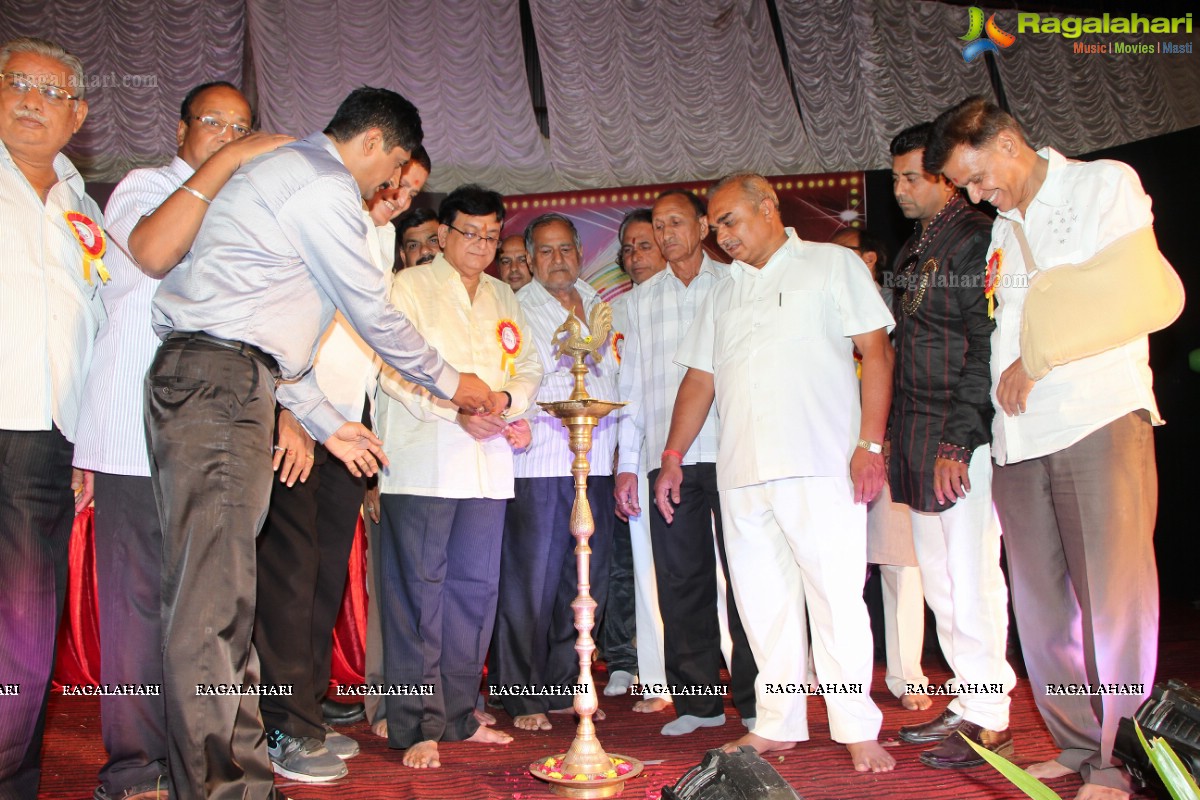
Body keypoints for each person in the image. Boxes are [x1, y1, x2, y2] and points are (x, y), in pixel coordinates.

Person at [147, 86, 493, 800]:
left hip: (234, 381)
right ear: (373, 143)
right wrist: (453, 381)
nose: (392, 185)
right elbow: (370, 311)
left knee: (225, 600)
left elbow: (271, 335)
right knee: (215, 606)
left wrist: (328, 422)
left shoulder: (302, 183)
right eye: (395, 167)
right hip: (216, 386)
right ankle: (222, 789)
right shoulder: (323, 182)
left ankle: (234, 778)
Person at [927, 96, 1166, 800]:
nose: (974, 195)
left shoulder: (1103, 185)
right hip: (1020, 440)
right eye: (965, 188)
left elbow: (1132, 291)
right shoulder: (1001, 229)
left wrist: (1037, 359)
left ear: (1005, 142)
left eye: (975, 177)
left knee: (1113, 603)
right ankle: (1073, 743)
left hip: (1097, 418)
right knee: (1042, 608)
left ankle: (1120, 761)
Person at [73, 80, 289, 800]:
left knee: (213, 605)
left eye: (242, 126)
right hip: (130, 434)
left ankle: (206, 762)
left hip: (215, 430)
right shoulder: (148, 186)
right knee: (143, 606)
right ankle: (135, 770)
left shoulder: (251, 215)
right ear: (181, 131)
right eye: (214, 123)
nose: (229, 136)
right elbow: (154, 254)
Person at [657, 173, 897, 773]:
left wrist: (870, 443)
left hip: (820, 463)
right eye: (715, 228)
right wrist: (671, 456)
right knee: (763, 607)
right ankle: (777, 723)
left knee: (836, 599)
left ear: (768, 207)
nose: (722, 237)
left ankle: (856, 727)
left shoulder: (832, 266)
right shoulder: (722, 291)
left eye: (729, 222)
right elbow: (700, 381)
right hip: (743, 471)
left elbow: (878, 351)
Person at [253, 149, 431, 783]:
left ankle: (306, 712)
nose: (400, 198)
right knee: (289, 580)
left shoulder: (379, 239)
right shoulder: (322, 218)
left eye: (413, 191)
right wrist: (286, 411)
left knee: (325, 580)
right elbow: (276, 327)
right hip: (301, 423)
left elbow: (370, 356)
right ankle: (280, 725)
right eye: (396, 183)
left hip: (346, 432)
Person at [376, 184, 541, 769]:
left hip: (488, 468)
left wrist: (503, 401)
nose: (481, 244)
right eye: (469, 233)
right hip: (425, 463)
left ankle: (458, 716)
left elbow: (528, 366)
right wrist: (456, 411)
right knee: (417, 596)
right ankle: (414, 724)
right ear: (442, 235)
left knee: (475, 593)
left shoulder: (503, 295)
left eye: (492, 235)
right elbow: (393, 371)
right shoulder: (407, 288)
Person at [884, 121, 1016, 769]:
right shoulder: (917, 246)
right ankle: (969, 698)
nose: (900, 188)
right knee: (939, 582)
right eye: (897, 178)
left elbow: (984, 345)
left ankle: (991, 715)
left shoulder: (976, 237)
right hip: (915, 435)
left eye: (911, 176)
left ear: (942, 175)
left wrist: (960, 440)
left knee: (972, 575)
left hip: (958, 438)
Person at [0, 36, 103, 800]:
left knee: (25, 634)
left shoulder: (83, 207)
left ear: (78, 115)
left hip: (44, 442)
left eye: (50, 90)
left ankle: (14, 777)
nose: (31, 99)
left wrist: (89, 442)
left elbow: (97, 328)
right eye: (17, 83)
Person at [618, 191, 758, 736]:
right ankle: (698, 705)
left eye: (677, 222)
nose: (667, 232)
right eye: (659, 224)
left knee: (748, 577)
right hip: (666, 459)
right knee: (680, 580)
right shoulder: (636, 303)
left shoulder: (735, 285)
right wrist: (630, 465)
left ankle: (755, 700)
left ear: (703, 226)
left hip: (733, 450)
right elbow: (627, 393)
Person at [492, 213, 620, 732]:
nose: (558, 259)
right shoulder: (517, 310)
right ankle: (520, 695)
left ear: (580, 251)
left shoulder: (599, 304)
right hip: (538, 466)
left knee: (583, 581)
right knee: (530, 585)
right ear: (528, 258)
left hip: (597, 467)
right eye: (544, 252)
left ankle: (565, 682)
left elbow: (614, 376)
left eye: (565, 248)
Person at [831, 226, 931, 715]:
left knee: (899, 566)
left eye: (848, 253)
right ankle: (828, 675)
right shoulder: (823, 307)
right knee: (831, 569)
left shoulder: (901, 309)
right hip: (830, 455)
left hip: (888, 449)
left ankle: (907, 674)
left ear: (870, 258)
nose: (839, 261)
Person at [602, 208, 668, 707]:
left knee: (710, 571)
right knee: (642, 568)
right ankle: (654, 673)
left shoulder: (704, 293)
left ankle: (735, 667)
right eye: (628, 248)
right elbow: (622, 392)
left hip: (702, 453)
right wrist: (625, 460)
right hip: (638, 454)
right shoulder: (615, 314)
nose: (635, 256)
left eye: (646, 245)